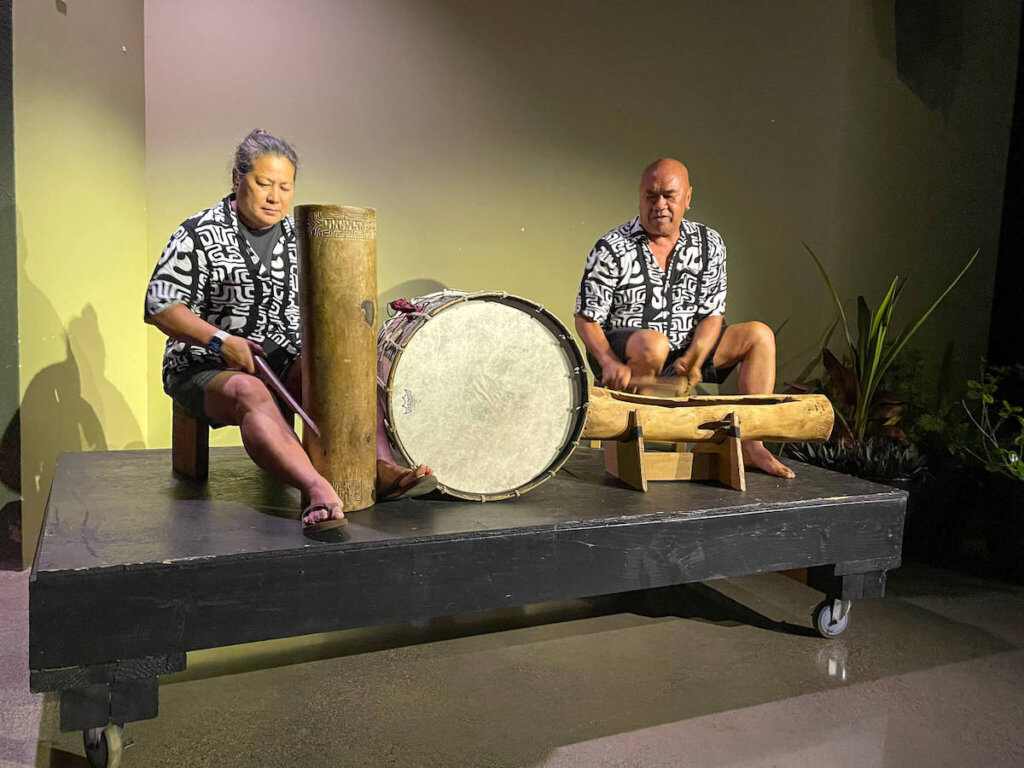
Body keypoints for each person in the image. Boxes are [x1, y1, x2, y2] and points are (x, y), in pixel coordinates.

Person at [145, 129, 434, 531]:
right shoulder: (198, 233)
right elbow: (159, 306)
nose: (274, 196)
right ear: (236, 178)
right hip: (204, 365)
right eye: (263, 183)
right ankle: (316, 487)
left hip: (279, 360)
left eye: (284, 186)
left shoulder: (298, 236)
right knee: (250, 391)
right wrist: (222, 341)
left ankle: (378, 469)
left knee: (341, 374)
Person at [574, 158, 794, 479]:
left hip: (686, 349)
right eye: (651, 196)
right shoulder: (612, 247)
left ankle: (751, 445)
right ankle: (627, 443)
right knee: (654, 344)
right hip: (624, 353)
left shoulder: (709, 244)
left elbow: (712, 314)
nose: (659, 205)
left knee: (759, 335)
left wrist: (696, 356)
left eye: (668, 195)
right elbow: (586, 318)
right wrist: (607, 361)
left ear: (687, 198)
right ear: (639, 197)